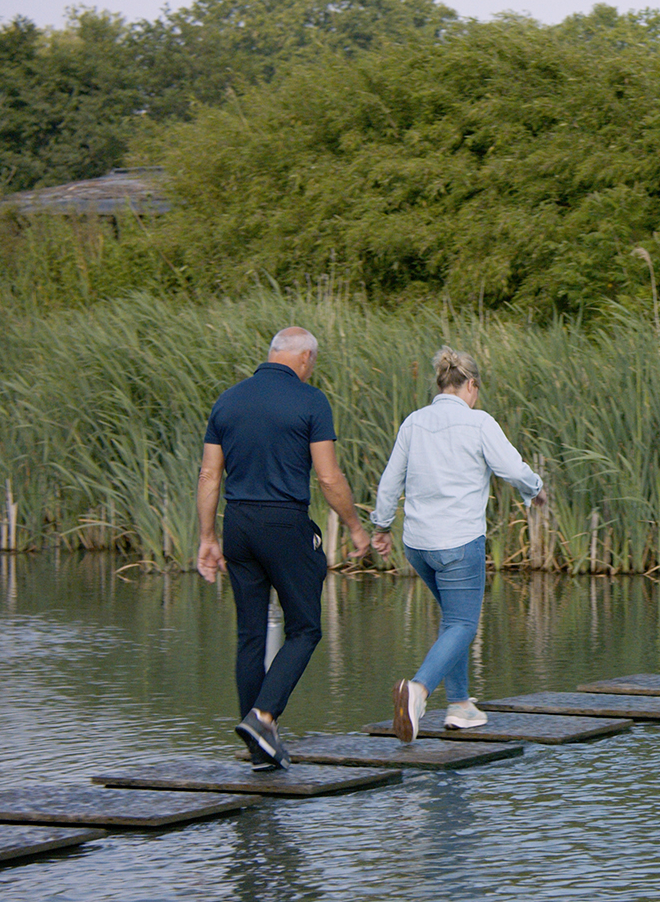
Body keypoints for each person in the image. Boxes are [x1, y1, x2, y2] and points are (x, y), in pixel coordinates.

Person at [197, 327, 372, 770]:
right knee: (305, 628)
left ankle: (258, 747)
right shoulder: (311, 400)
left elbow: (208, 476)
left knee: (251, 634)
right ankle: (263, 716)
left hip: (238, 524)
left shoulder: (228, 399)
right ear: (306, 359)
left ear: (273, 353)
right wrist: (354, 526)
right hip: (284, 521)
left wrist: (207, 538)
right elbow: (329, 478)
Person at [370, 346, 545, 742]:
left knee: (452, 621)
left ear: (440, 383)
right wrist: (534, 489)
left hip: (418, 546)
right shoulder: (478, 422)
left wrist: (381, 527)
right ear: (471, 385)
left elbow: (389, 481)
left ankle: (461, 705)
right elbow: (511, 468)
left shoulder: (413, 423)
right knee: (464, 623)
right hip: (458, 543)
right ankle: (417, 691)